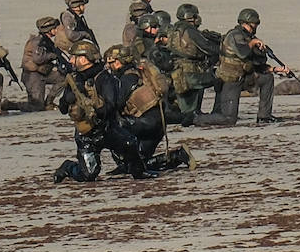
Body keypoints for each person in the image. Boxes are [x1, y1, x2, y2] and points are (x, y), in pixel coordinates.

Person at [53, 40, 151, 182]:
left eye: (74, 57)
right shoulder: (73, 80)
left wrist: (96, 107)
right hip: (86, 133)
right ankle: (68, 167)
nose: (72, 61)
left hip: (107, 128)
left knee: (130, 144)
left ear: (84, 59)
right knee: (88, 174)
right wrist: (69, 98)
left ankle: (140, 172)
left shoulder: (104, 78)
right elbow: (62, 109)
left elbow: (112, 106)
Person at [193, 8, 287, 126]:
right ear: (245, 23)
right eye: (254, 24)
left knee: (267, 78)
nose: (256, 26)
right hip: (229, 81)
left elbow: (257, 63)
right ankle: (196, 119)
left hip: (243, 78)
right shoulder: (234, 36)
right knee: (229, 119)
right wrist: (253, 43)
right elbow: (243, 53)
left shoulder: (247, 38)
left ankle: (264, 116)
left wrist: (274, 69)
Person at [107, 45, 193, 172]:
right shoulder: (140, 73)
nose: (109, 66)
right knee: (141, 163)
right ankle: (177, 156)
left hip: (144, 125)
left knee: (111, 130)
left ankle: (124, 165)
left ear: (119, 62)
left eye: (111, 62)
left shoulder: (126, 79)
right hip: (158, 125)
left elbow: (116, 104)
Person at [164, 4, 221, 124]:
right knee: (219, 80)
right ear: (191, 17)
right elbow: (207, 47)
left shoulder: (173, 30)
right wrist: (222, 49)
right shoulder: (190, 31)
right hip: (192, 71)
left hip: (177, 70)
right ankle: (216, 113)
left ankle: (191, 115)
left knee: (187, 105)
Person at [22, 17, 69, 111]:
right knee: (36, 106)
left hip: (44, 72)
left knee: (64, 78)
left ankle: (49, 102)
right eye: (55, 28)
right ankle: (10, 105)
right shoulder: (38, 41)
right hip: (32, 75)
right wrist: (52, 55)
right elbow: (38, 59)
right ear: (49, 30)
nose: (57, 30)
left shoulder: (47, 41)